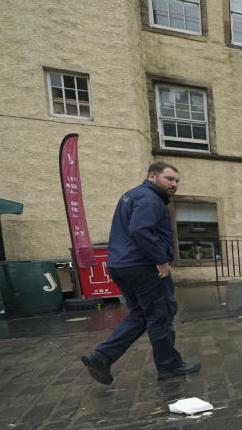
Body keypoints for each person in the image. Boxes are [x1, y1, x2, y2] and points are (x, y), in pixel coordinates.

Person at [80, 162, 199, 384]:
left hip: (121, 265)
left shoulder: (133, 195)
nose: (174, 184)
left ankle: (102, 356)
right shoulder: (150, 199)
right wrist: (160, 258)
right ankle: (169, 366)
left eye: (177, 181)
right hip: (144, 267)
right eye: (169, 179)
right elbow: (140, 230)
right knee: (160, 314)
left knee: (141, 315)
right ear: (152, 176)